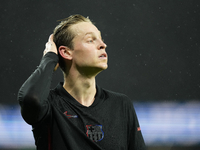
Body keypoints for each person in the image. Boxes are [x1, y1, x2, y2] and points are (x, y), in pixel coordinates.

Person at [17, 14, 146, 150]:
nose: (103, 45)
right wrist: (49, 58)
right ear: (66, 52)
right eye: (91, 40)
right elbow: (31, 99)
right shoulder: (50, 106)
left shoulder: (121, 105)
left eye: (101, 39)